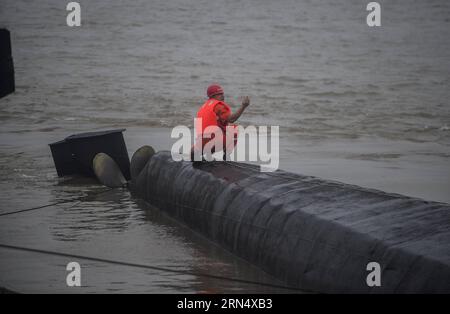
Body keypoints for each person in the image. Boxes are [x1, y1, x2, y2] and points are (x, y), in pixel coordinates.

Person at [191, 84, 250, 161]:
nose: (222, 96)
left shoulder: (202, 108)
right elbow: (232, 119)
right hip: (215, 142)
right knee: (235, 128)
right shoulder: (218, 106)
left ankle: (197, 154)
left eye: (222, 94)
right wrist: (243, 106)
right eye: (219, 94)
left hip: (202, 142)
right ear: (213, 96)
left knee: (194, 150)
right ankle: (227, 156)